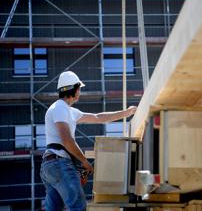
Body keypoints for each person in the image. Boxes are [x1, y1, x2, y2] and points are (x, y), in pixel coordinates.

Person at [40, 71, 136, 210]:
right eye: (79, 89)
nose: (80, 92)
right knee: (78, 207)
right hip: (59, 163)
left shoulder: (68, 111)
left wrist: (126, 113)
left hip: (51, 165)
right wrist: (84, 162)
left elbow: (98, 117)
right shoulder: (60, 108)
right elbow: (67, 140)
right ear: (74, 89)